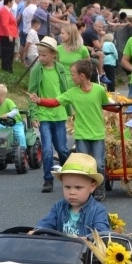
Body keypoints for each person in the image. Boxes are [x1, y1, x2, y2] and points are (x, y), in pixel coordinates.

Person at [29, 59, 108, 201]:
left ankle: (100, 188)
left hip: (97, 133)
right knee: (84, 165)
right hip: (82, 134)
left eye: (73, 74)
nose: (71, 77)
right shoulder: (72, 92)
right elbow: (55, 102)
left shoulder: (99, 90)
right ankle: (86, 190)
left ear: (82, 76)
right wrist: (40, 101)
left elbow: (106, 105)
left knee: (99, 163)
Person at [27, 36, 71, 193]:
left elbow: (65, 91)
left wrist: (70, 112)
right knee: (46, 149)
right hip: (44, 115)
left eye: (44, 55)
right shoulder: (36, 70)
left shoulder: (60, 68)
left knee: (62, 149)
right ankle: (48, 179)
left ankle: (68, 175)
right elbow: (32, 93)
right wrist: (34, 115)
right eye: (39, 54)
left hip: (59, 114)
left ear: (53, 54)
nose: (41, 57)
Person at [33, 153, 110, 237]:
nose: (72, 192)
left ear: (92, 187)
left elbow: (102, 234)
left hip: (85, 249)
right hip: (61, 249)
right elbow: (47, 223)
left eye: (78, 187)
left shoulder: (97, 210)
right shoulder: (59, 207)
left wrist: (88, 239)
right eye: (67, 187)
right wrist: (37, 230)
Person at [0, 84, 26, 148]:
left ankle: (22, 150)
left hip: (16, 124)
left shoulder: (8, 102)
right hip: (4, 125)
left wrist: (7, 115)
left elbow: (15, 111)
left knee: (20, 135)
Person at [0, 0, 18, 72]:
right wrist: (9, 34)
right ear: (9, 2)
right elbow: (4, 24)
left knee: (9, 51)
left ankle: (8, 67)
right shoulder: (5, 11)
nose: (13, 3)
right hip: (6, 35)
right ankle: (7, 68)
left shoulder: (7, 10)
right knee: (7, 52)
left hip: (9, 33)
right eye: (12, 2)